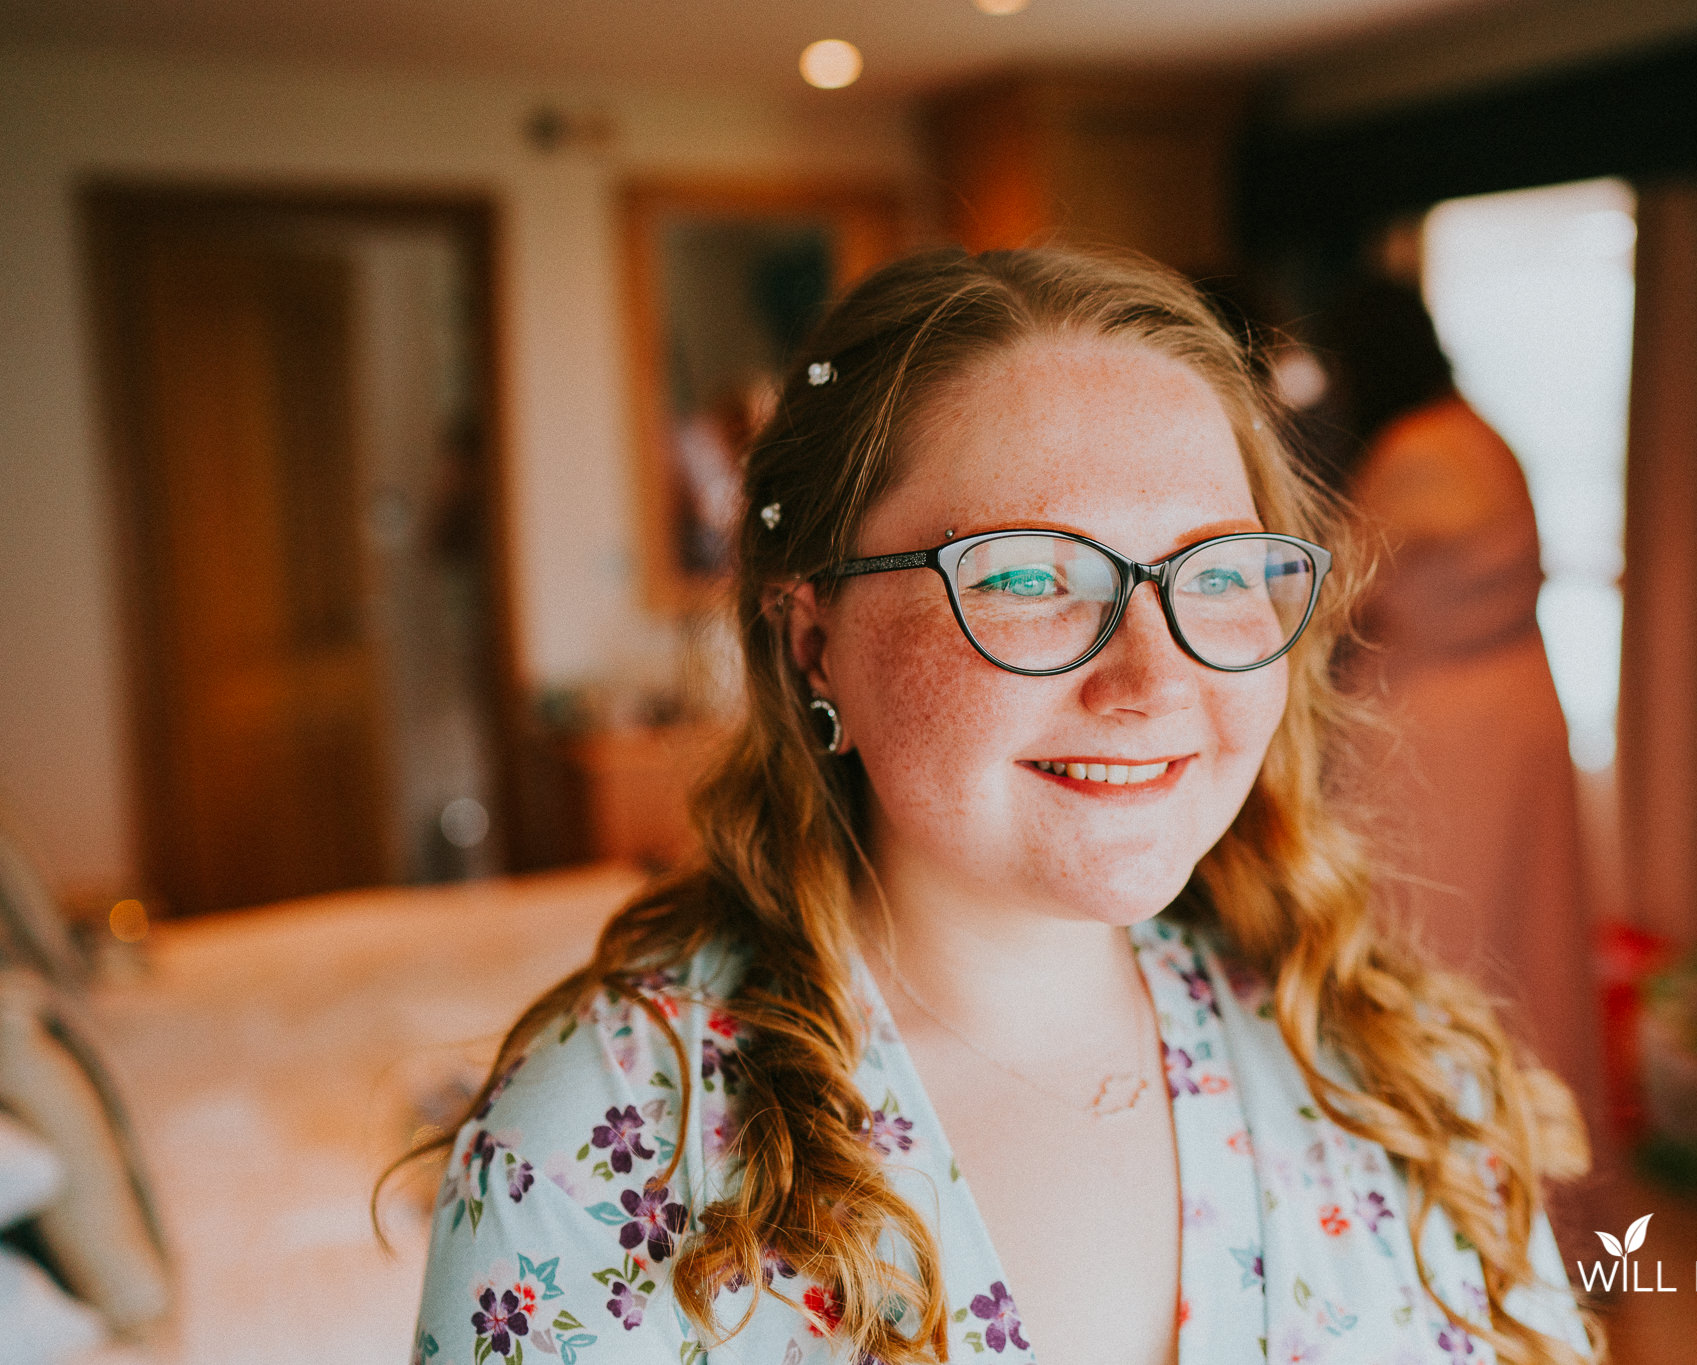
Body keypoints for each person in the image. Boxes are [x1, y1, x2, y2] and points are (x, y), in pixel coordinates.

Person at [401, 248, 1594, 1365]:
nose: (1151, 683)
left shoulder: (1404, 1080)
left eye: (1219, 573)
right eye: (1026, 576)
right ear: (815, 640)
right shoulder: (598, 1148)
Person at [1316, 279, 1610, 1261]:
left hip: (1445, 728)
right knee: (1526, 942)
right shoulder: (1480, 434)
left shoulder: (1412, 453)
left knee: (1439, 945)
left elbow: (1346, 591)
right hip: (1522, 707)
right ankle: (1531, 1199)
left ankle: (1449, 1208)